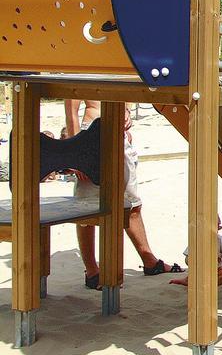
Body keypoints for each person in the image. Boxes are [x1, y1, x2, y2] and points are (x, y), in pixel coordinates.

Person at [66, 99, 183, 289]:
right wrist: (75, 151)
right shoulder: (83, 69)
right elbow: (71, 108)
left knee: (132, 203)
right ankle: (92, 270)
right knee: (86, 208)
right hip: (89, 135)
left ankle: (149, 259)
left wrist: (127, 112)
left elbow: (126, 87)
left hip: (118, 133)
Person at [170, 217, 222, 287]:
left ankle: (211, 285)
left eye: (216, 225)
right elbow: (188, 259)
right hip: (200, 270)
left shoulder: (220, 239)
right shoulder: (197, 239)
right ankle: (189, 280)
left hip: (216, 270)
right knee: (198, 275)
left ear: (218, 227)